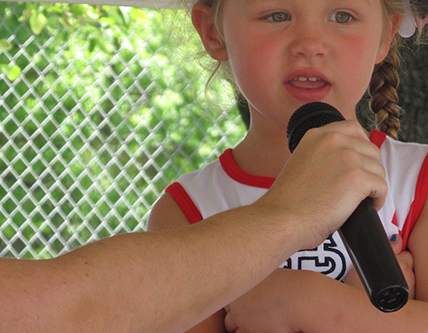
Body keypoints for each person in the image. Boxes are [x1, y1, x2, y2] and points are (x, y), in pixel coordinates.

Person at [148, 0, 428, 332]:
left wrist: (310, 305)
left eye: (342, 16)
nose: (310, 43)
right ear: (213, 31)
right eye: (277, 14)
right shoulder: (187, 214)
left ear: (386, 33)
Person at [0, 128, 386, 333]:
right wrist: (320, 304)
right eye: (276, 16)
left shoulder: (427, 175)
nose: (311, 43)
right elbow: (75, 312)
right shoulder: (185, 203)